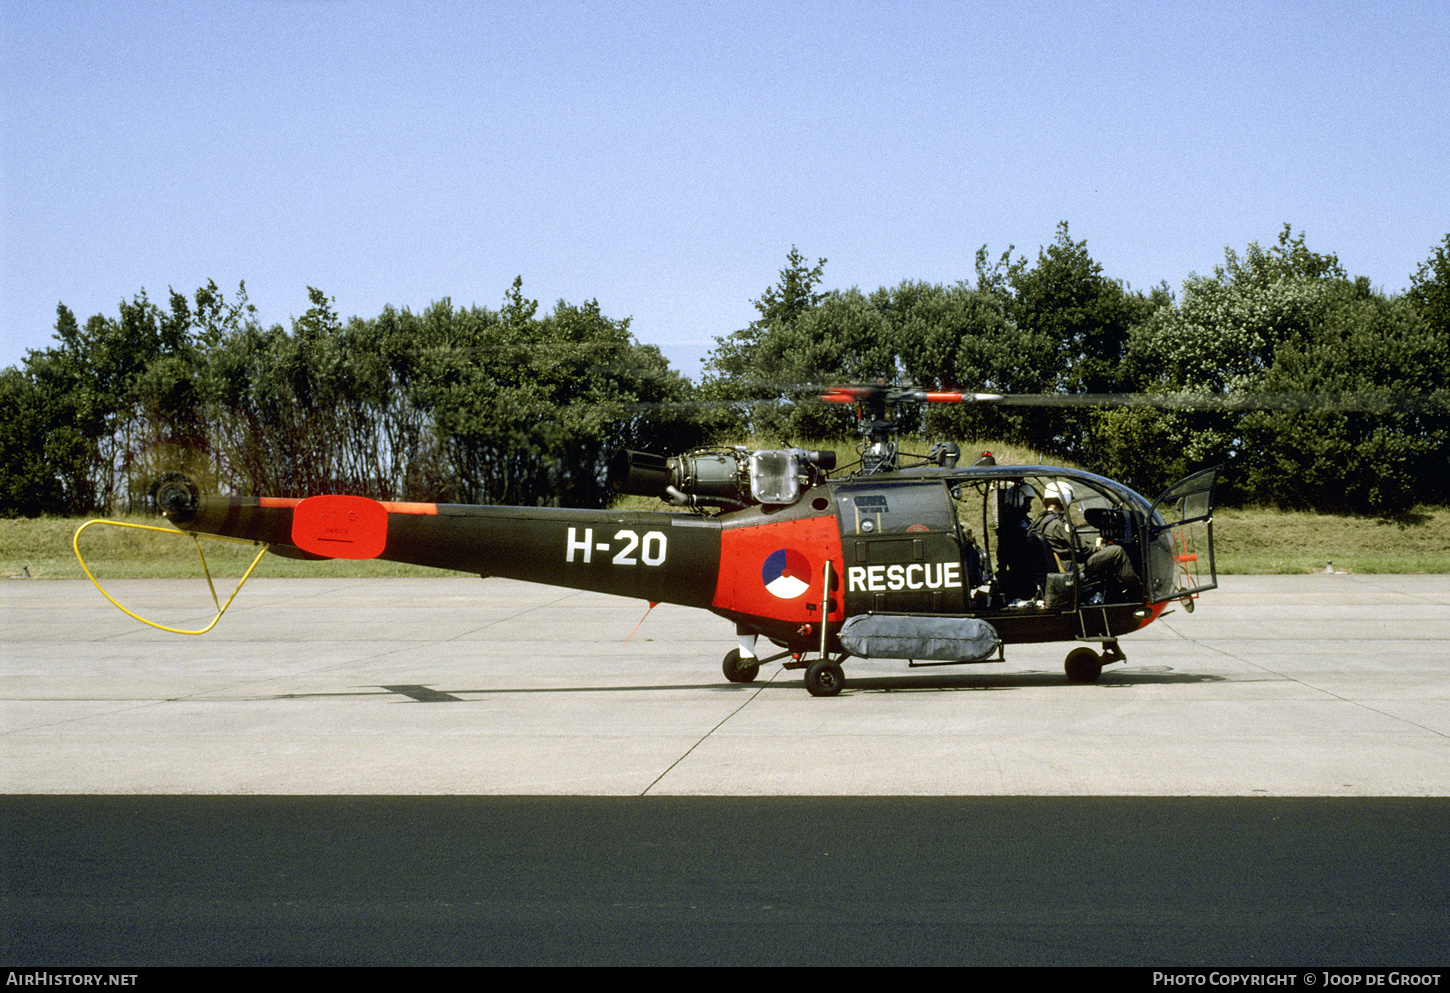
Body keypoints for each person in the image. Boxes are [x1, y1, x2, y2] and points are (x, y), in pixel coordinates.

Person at [1029, 482, 1141, 601]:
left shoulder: (1040, 521)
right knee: (1117, 551)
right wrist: (1100, 548)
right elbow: (1082, 549)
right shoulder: (1058, 524)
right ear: (1065, 499)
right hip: (1072, 569)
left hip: (1059, 567)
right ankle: (1137, 591)